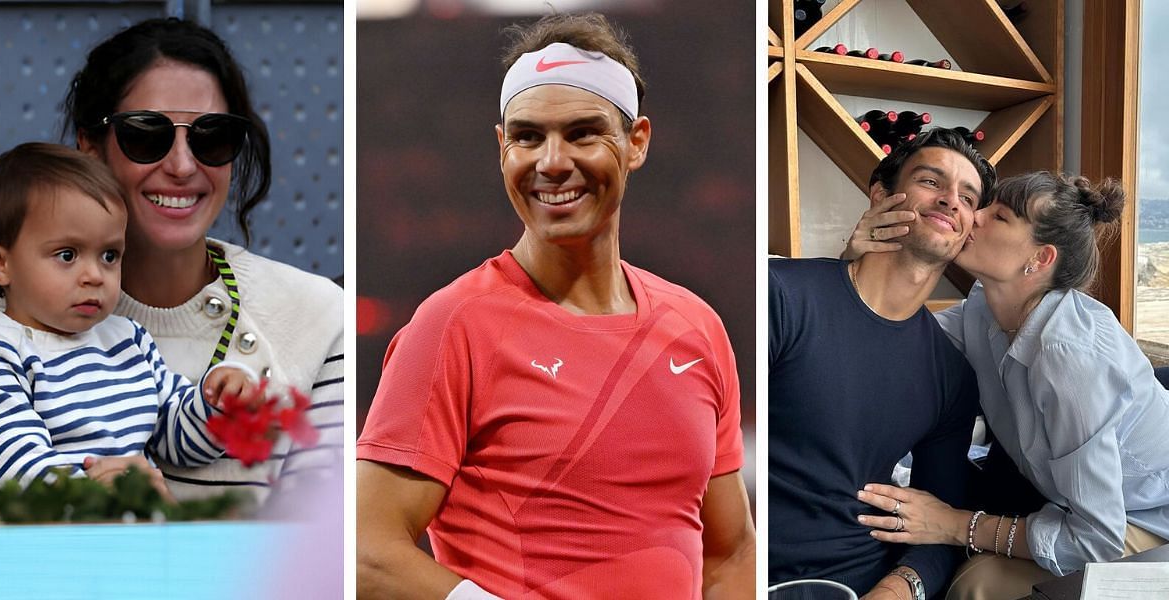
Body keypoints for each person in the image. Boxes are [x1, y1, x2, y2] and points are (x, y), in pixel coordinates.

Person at [356, 13, 753, 599]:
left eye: (583, 133)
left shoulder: (697, 326)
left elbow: (731, 551)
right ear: (501, 148)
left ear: (636, 142)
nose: (551, 162)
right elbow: (367, 554)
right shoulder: (452, 324)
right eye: (527, 136)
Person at [0, 18, 343, 504]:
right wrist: (94, 496)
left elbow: (317, 554)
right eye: (146, 134)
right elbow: (6, 470)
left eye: (212, 137)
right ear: (90, 147)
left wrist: (218, 403)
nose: (183, 165)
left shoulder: (317, 317)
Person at [849, 171, 1169, 600]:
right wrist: (856, 261)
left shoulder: (1070, 360)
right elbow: (892, 338)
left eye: (997, 216)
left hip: (1149, 518)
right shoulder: (984, 306)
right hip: (1063, 500)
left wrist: (952, 525)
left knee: (976, 584)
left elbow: (1098, 539)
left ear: (1039, 259)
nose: (972, 215)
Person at [768, 127, 997, 599]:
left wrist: (899, 589)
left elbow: (938, 523)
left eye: (967, 197)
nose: (951, 201)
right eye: (931, 182)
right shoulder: (780, 296)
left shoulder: (952, 375)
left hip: (861, 580)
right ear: (881, 195)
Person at [0, 142, 257, 495]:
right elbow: (16, 466)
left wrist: (215, 401)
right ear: (0, 263)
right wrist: (99, 497)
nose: (94, 275)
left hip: (141, 527)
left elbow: (176, 437)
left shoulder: (127, 339)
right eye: (67, 254)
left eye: (109, 255)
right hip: (69, 535)